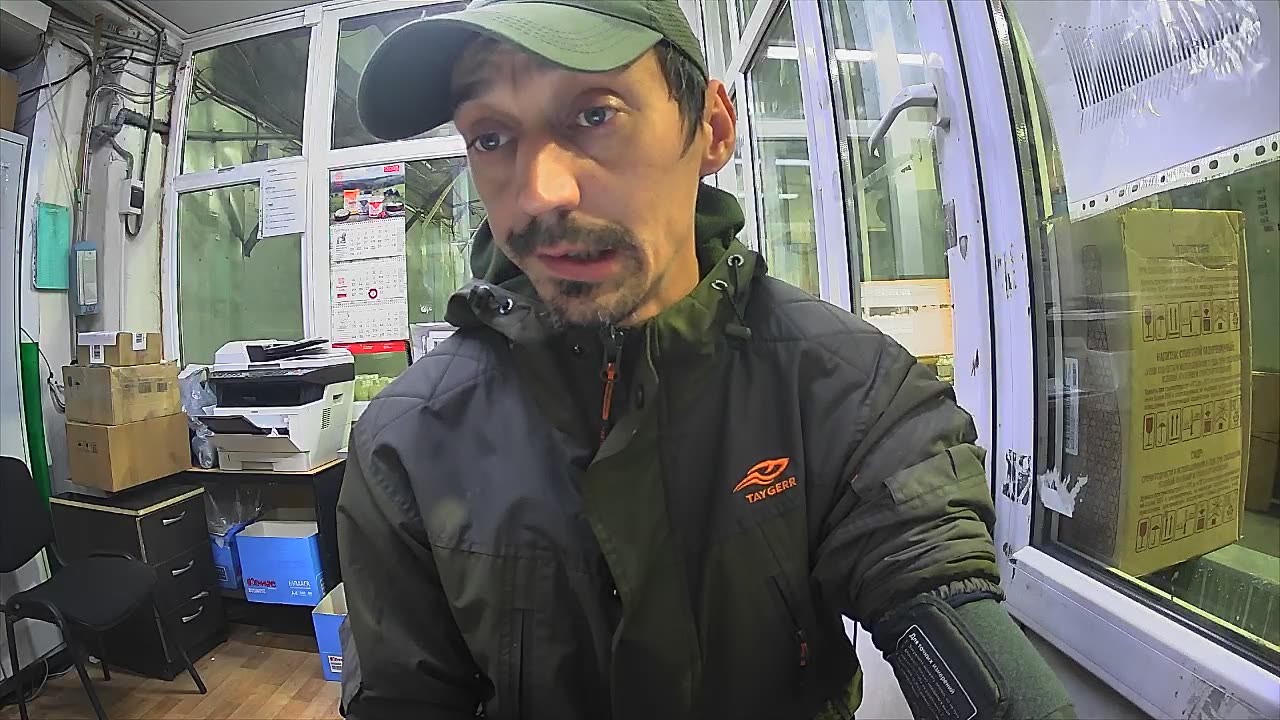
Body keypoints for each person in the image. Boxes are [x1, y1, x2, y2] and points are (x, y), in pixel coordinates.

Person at [337, 1, 1076, 718]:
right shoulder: (408, 443)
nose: (540, 194)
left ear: (713, 129)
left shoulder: (848, 390)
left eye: (594, 115)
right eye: (492, 137)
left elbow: (936, 583)